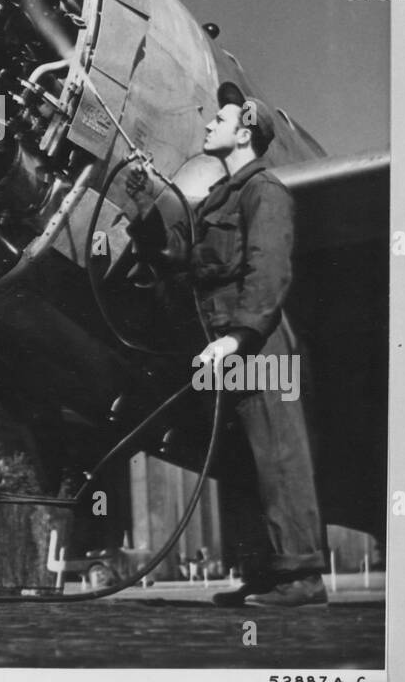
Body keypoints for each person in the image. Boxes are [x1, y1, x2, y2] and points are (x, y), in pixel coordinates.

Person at [126, 83, 328, 607]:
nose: (210, 122)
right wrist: (144, 198)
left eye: (222, 117)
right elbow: (180, 259)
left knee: (277, 454)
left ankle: (302, 577)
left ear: (245, 133)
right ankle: (263, 572)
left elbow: (270, 270)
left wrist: (238, 337)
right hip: (223, 342)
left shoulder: (266, 191)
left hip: (257, 344)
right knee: (239, 457)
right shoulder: (221, 198)